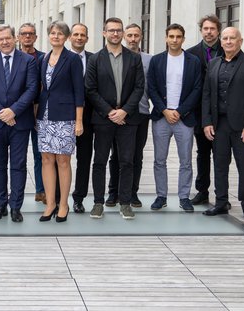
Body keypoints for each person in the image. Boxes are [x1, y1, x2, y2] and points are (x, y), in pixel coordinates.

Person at [202, 27, 244, 223]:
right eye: (226, 38)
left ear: (240, 41)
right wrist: (206, 122)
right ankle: (221, 203)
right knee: (220, 166)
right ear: (221, 42)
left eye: (232, 38)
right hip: (219, 125)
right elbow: (206, 95)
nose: (228, 41)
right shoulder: (213, 64)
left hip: (243, 128)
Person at [86, 17, 144, 220]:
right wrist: (110, 112)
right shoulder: (95, 59)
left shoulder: (134, 58)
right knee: (100, 161)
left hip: (128, 119)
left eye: (118, 30)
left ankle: (125, 203)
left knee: (127, 161)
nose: (115, 34)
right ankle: (98, 202)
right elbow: (90, 90)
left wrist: (124, 111)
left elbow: (139, 88)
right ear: (104, 33)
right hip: (103, 119)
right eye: (111, 30)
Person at [0, 25, 39, 222]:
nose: (4, 42)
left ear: (15, 39)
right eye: (0, 39)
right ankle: (0, 205)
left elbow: (31, 89)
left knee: (19, 165)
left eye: (7, 38)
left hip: (20, 122)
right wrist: (1, 112)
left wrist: (13, 110)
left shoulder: (28, 61)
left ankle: (16, 207)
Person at [147, 24, 202, 212]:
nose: (175, 40)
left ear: (183, 39)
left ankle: (184, 197)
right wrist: (164, 110)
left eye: (178, 36)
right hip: (161, 117)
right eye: (171, 36)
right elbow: (151, 88)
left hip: (184, 118)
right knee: (159, 160)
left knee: (185, 161)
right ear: (166, 38)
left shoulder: (193, 61)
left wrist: (180, 111)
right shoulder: (157, 60)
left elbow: (197, 89)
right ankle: (161, 196)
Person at [36, 21, 84, 223]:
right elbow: (41, 88)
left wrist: (79, 121)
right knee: (47, 160)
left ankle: (63, 204)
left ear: (66, 37)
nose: (55, 36)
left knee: (63, 161)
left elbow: (79, 91)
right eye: (52, 33)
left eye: (60, 33)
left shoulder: (72, 59)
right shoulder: (44, 58)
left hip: (65, 116)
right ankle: (50, 204)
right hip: (45, 117)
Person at [106, 24, 152, 208]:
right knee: (116, 155)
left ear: (141, 36)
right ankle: (113, 192)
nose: (133, 39)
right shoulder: (119, 57)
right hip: (118, 113)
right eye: (130, 35)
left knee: (136, 156)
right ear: (125, 36)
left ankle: (132, 192)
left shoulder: (150, 60)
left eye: (136, 35)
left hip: (140, 113)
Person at [187, 14, 224, 205]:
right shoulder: (191, 53)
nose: (209, 32)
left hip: (223, 114)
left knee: (221, 156)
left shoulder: (227, 50)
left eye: (212, 29)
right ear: (201, 31)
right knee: (202, 154)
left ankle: (221, 195)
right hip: (200, 113)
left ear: (218, 30)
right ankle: (202, 191)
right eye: (205, 29)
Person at [18, 22, 45, 203]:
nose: (27, 37)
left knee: (40, 154)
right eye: (24, 34)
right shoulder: (12, 57)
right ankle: (17, 192)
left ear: (35, 37)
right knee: (18, 156)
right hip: (17, 112)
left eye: (31, 34)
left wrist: (39, 107)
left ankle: (41, 190)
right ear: (18, 37)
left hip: (38, 111)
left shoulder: (43, 58)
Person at [69, 23, 94, 214]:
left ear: (87, 38)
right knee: (60, 159)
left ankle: (79, 198)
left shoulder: (95, 59)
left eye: (82, 35)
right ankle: (60, 196)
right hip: (63, 117)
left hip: (89, 117)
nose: (79, 37)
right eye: (75, 34)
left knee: (84, 159)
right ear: (70, 37)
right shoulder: (59, 57)